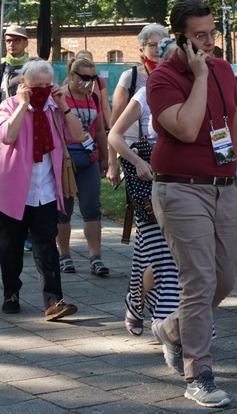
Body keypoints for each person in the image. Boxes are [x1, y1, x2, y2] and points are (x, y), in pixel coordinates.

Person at [146, 0, 237, 408]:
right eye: (200, 36)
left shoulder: (222, 69)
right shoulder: (162, 79)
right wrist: (198, 75)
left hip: (222, 186)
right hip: (179, 188)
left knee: (226, 277)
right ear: (180, 38)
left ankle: (172, 329)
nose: (211, 43)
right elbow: (184, 128)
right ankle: (198, 372)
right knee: (198, 280)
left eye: (212, 32)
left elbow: (234, 123)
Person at [0, 60, 84, 321]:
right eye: (35, 86)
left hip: (46, 189)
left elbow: (78, 135)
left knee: (46, 247)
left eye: (46, 85)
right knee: (10, 247)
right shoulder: (6, 106)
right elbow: (8, 136)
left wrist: (64, 106)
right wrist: (22, 104)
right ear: (24, 84)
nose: (41, 90)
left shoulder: (54, 109)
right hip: (11, 190)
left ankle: (54, 302)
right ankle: (11, 292)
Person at [109, 38, 180, 336]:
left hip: (183, 184)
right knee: (161, 256)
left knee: (158, 255)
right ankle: (163, 319)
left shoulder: (192, 95)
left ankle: (136, 301)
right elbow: (114, 135)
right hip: (148, 185)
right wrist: (136, 162)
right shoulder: (145, 93)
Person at [55, 57, 109, 275]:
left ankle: (96, 257)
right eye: (83, 78)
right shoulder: (59, 96)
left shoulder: (93, 97)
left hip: (89, 159)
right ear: (71, 75)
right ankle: (64, 255)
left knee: (92, 208)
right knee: (63, 211)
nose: (88, 83)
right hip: (65, 160)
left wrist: (106, 158)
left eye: (92, 78)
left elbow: (98, 130)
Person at [106, 23, 169, 187]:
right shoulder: (131, 77)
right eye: (152, 44)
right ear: (142, 49)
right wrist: (112, 163)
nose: (157, 49)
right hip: (136, 152)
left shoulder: (175, 77)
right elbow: (114, 124)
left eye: (161, 44)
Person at [0, 24, 31, 219]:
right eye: (8, 40)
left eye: (16, 40)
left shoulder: (37, 66)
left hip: (32, 133)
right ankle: (7, 218)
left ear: (26, 43)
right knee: (7, 180)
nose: (11, 44)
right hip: (6, 131)